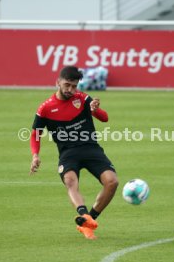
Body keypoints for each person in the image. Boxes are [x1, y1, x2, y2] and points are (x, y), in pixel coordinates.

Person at [30, 66, 118, 239]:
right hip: (68, 153)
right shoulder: (45, 108)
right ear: (58, 82)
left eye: (74, 86)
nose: (70, 90)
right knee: (70, 181)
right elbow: (35, 134)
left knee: (112, 182)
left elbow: (105, 118)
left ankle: (88, 220)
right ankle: (84, 215)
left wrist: (94, 110)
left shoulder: (82, 98)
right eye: (67, 85)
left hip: (91, 148)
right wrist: (35, 155)